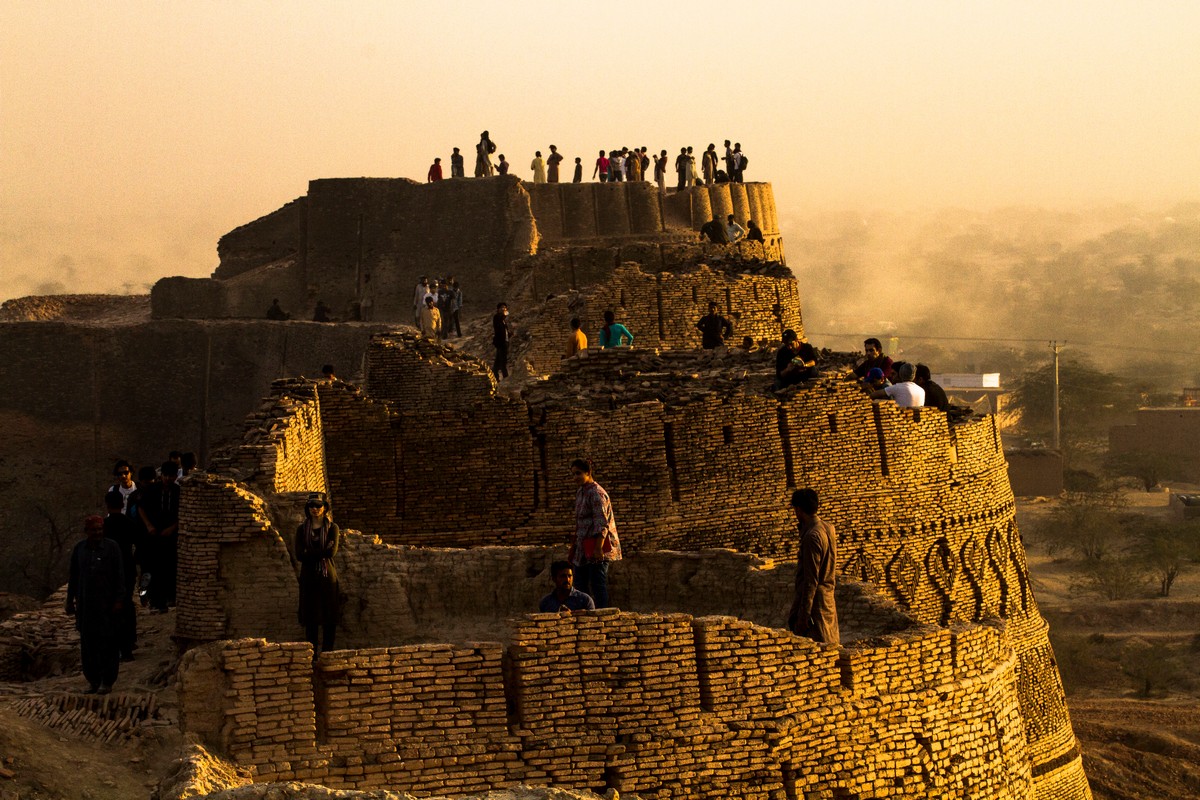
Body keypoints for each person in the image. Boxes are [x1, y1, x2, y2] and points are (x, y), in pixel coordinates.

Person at [66, 515, 125, 693]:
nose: (97, 533)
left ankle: (107, 681)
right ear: (87, 531)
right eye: (94, 530)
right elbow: (74, 577)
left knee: (108, 644)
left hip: (107, 606)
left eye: (99, 529)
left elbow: (119, 575)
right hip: (86, 607)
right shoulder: (80, 549)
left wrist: (119, 600)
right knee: (88, 646)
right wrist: (70, 601)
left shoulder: (112, 548)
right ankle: (93, 680)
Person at [786, 489, 839, 644]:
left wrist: (803, 616)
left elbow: (811, 581)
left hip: (817, 605)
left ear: (799, 509)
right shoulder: (829, 528)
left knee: (819, 648)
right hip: (828, 600)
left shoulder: (811, 536)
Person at [568, 459, 621, 609]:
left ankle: (601, 616)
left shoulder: (597, 493)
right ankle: (584, 615)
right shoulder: (581, 491)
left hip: (597, 546)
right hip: (583, 547)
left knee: (597, 583)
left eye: (578, 473)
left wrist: (598, 549)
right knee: (579, 583)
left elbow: (601, 523)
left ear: (588, 473)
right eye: (573, 474)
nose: (575, 477)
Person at [295, 492, 340, 655]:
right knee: (310, 616)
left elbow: (331, 552)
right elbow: (299, 554)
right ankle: (312, 655)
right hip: (308, 576)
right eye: (311, 506)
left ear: (325, 508)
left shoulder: (332, 528)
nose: (315, 509)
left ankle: (327, 652)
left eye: (318, 506)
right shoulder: (302, 529)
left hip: (327, 575)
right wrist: (321, 551)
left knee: (329, 615)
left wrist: (310, 552)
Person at [139, 462, 180, 611]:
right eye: (166, 475)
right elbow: (141, 508)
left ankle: (169, 598)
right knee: (153, 569)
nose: (168, 478)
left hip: (171, 537)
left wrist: (172, 528)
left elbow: (182, 514)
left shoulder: (178, 491)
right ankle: (155, 600)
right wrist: (149, 525)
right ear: (161, 475)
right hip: (154, 536)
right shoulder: (152, 490)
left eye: (171, 476)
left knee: (169, 568)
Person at [103, 491, 139, 661]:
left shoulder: (103, 526)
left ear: (107, 505)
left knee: (113, 608)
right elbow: (139, 544)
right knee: (127, 604)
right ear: (121, 504)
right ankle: (130, 643)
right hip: (128, 568)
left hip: (109, 572)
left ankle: (117, 646)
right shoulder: (130, 524)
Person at [492, 302, 511, 379]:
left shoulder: (503, 320)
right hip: (500, 342)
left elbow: (504, 330)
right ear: (498, 309)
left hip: (505, 342)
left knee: (498, 361)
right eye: (502, 307)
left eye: (505, 307)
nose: (503, 309)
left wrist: (509, 333)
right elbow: (498, 326)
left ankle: (495, 375)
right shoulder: (496, 317)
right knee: (503, 361)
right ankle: (506, 377)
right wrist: (504, 314)